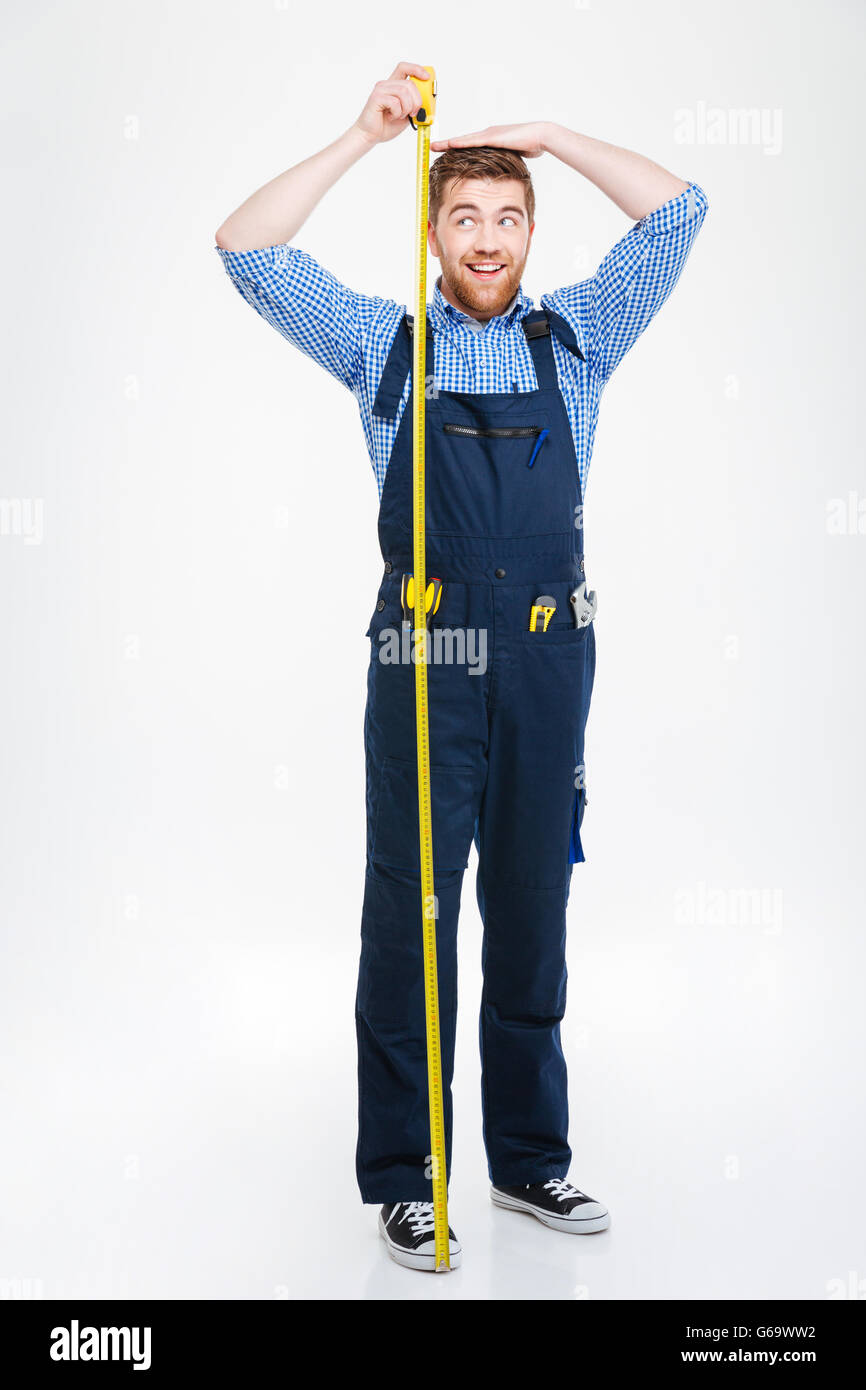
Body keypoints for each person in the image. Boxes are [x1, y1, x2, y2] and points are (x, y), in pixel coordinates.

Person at [215, 60, 708, 1273]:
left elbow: (681, 210)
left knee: (530, 911)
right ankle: (407, 1179)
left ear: (530, 232)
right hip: (424, 665)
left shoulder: (577, 343)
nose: (484, 239)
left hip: (546, 663)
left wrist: (542, 133)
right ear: (431, 232)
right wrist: (361, 136)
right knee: (410, 920)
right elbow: (243, 247)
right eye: (462, 217)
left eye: (505, 217)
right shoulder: (387, 347)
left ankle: (529, 1163)